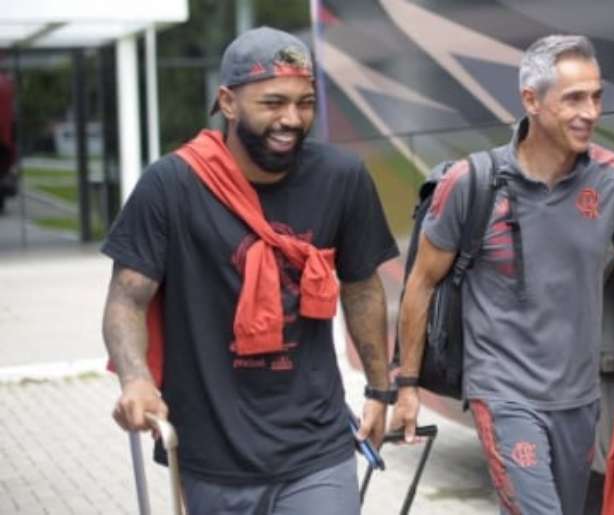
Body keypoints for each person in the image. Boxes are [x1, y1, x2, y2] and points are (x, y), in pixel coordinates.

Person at [102, 26, 399, 515]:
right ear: (229, 102)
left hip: (316, 443)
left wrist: (379, 389)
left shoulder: (342, 178)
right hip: (211, 450)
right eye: (273, 103)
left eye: (305, 103)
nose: (292, 119)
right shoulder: (172, 185)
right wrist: (135, 380)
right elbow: (127, 299)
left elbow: (362, 285)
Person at [389, 34, 614, 515]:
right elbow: (420, 285)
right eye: (574, 98)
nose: (591, 112)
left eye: (597, 96)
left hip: (578, 398)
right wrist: (407, 387)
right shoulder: (472, 183)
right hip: (502, 391)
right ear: (531, 101)